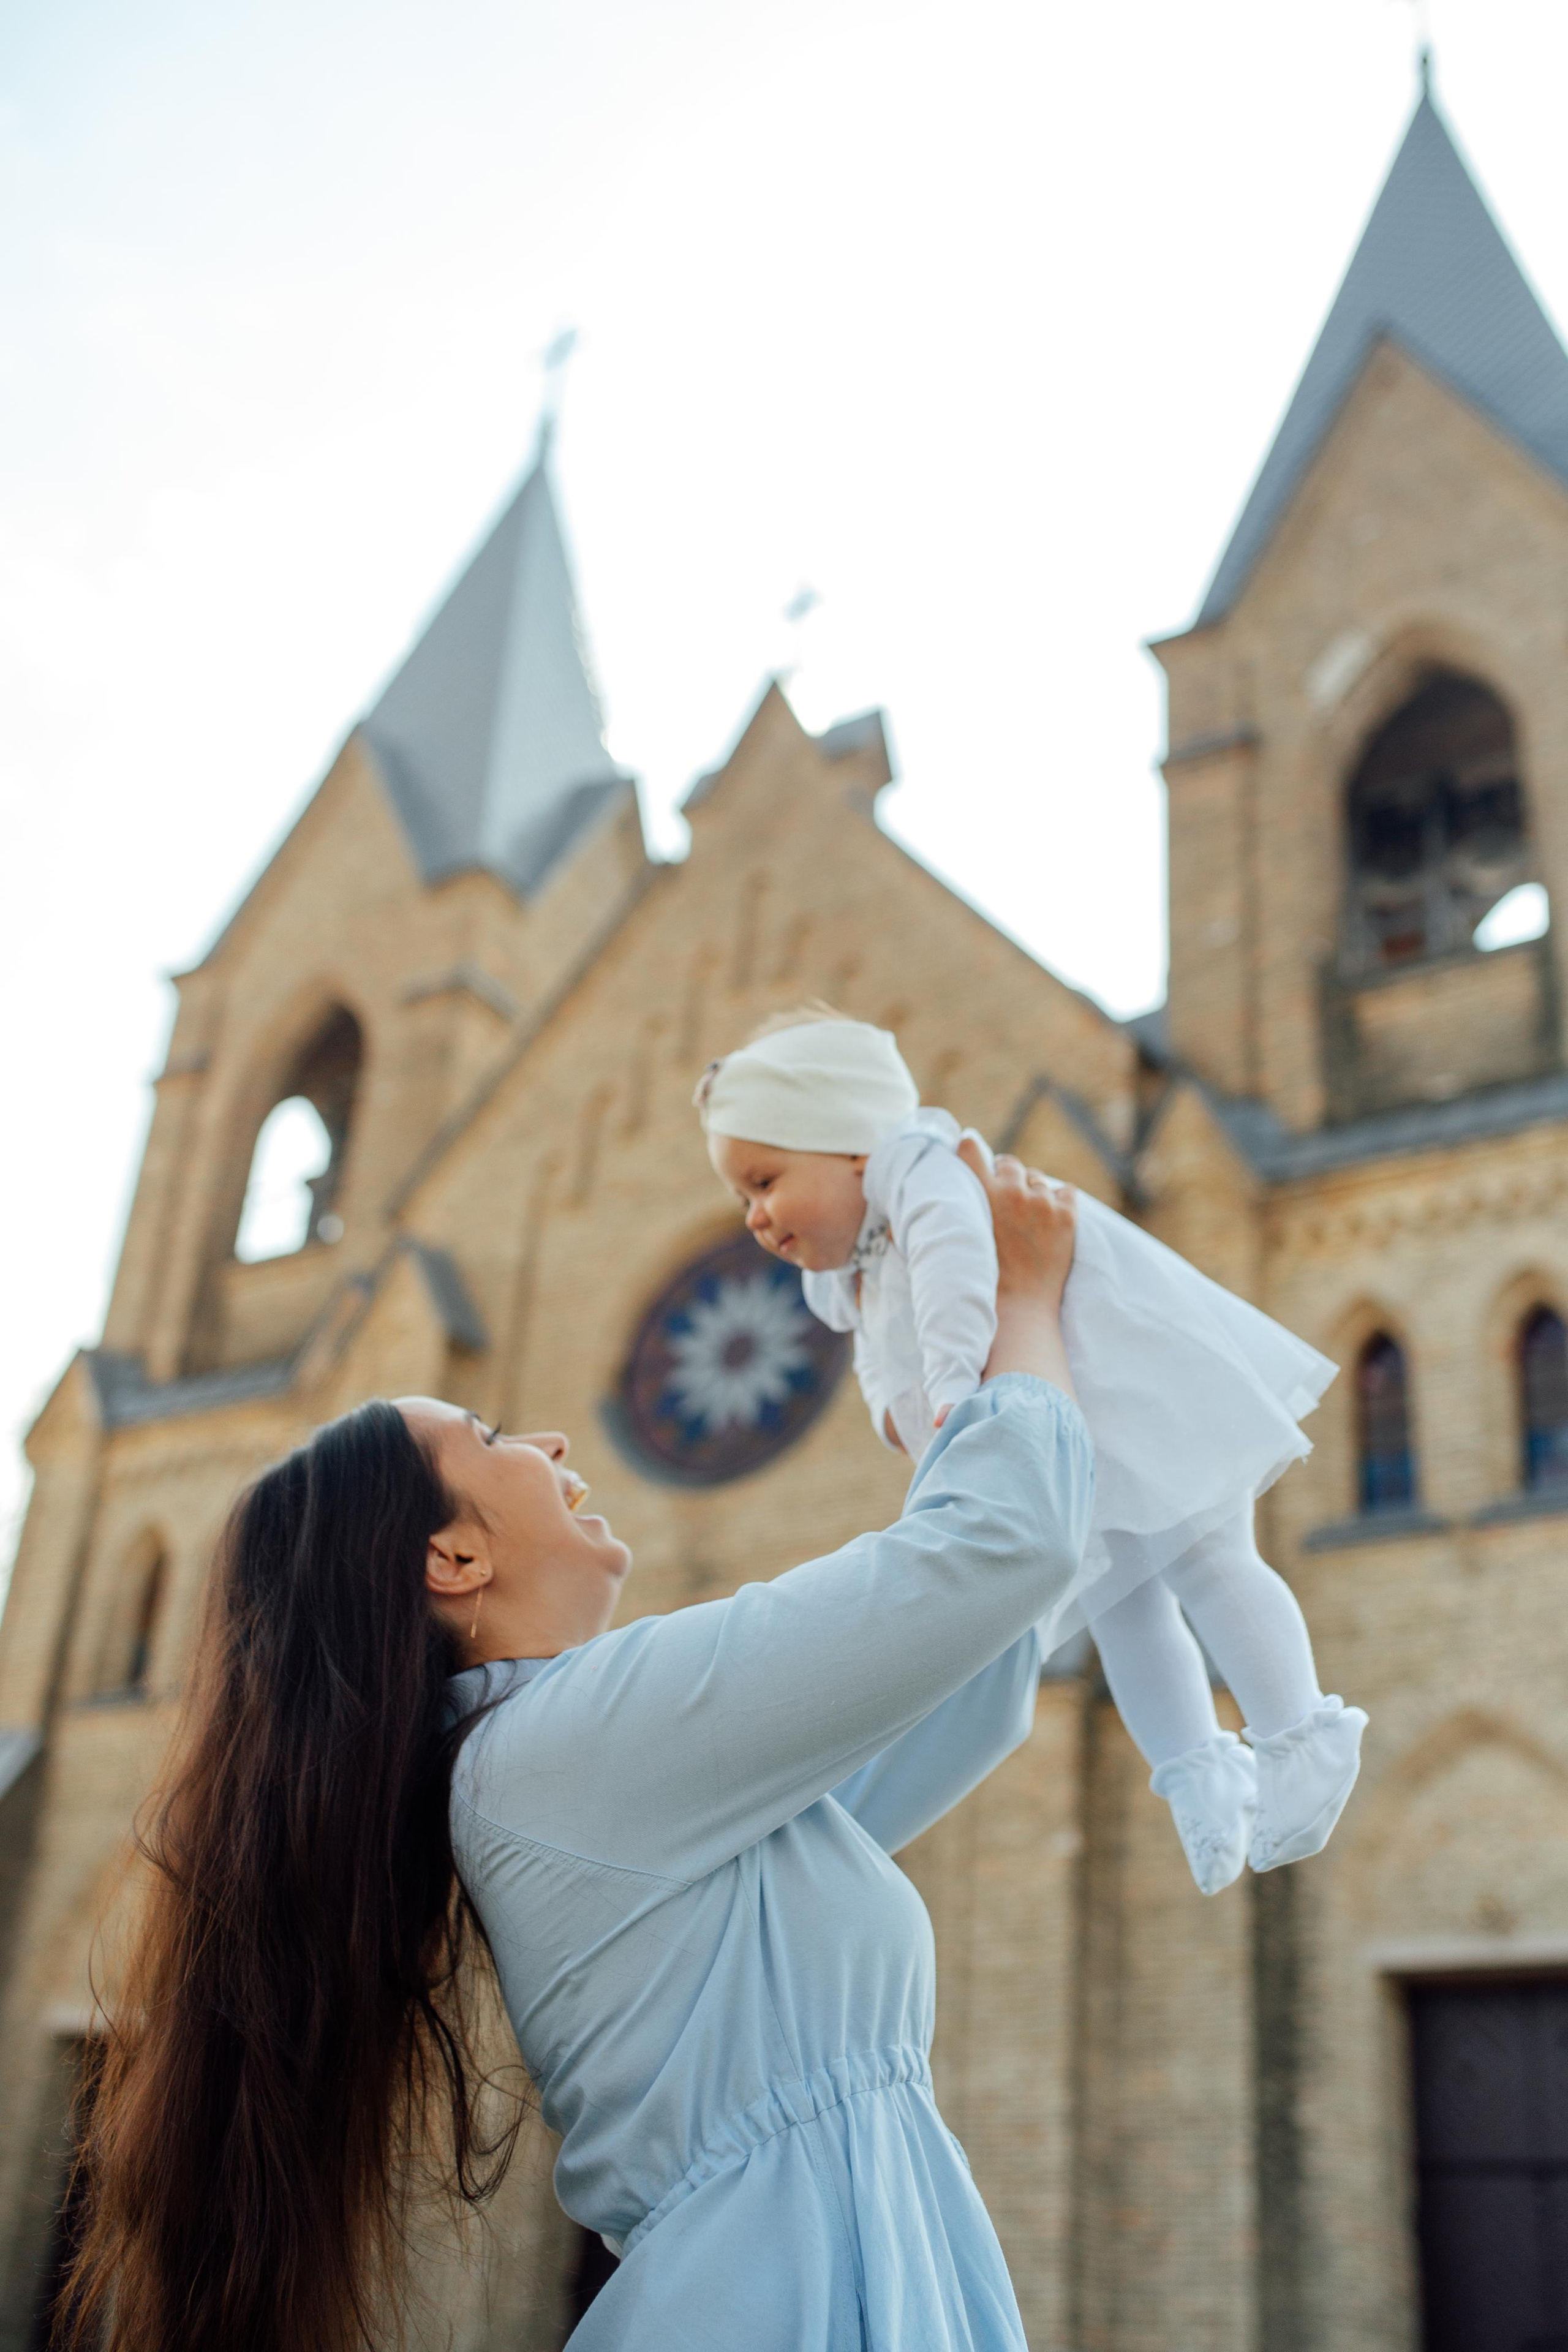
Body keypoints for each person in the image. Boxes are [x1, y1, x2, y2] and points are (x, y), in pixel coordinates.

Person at [61, 1149, 1090, 2352]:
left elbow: (966, 1683)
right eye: (492, 1436)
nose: (546, 1440)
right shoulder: (564, 1745)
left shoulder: (569, 1759)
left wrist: (952, 1395)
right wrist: (1019, 1302)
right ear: (452, 1562)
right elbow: (1005, 1550)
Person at [697, 1008, 1368, 1897]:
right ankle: (1200, 1772)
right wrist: (900, 1424)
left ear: (852, 1146)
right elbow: (873, 1360)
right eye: (743, 1197)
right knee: (1121, 1607)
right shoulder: (855, 1267)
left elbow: (959, 1285)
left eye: (765, 1179)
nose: (754, 1216)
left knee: (1211, 1561)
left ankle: (1301, 1735)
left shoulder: (925, 1174)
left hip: (1132, 1393)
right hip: (1064, 1432)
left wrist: (949, 1396)